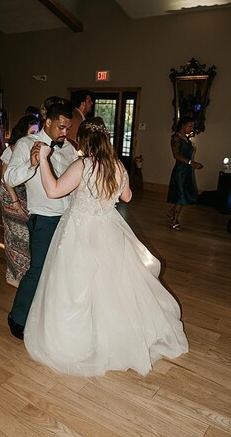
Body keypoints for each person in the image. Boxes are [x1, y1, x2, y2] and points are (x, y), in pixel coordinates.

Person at [24, 118, 189, 376]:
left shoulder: (82, 165)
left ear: (84, 140)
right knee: (112, 283)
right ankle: (118, 336)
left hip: (80, 231)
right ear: (106, 139)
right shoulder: (117, 165)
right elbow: (127, 197)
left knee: (78, 283)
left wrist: (44, 160)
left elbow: (54, 191)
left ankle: (82, 339)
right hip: (109, 228)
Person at [5, 102, 77, 339]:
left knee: (63, 269)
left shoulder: (69, 148)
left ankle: (51, 316)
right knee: (38, 269)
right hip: (44, 217)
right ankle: (18, 319)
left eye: (68, 128)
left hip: (70, 217)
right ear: (48, 122)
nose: (65, 132)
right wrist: (32, 164)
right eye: (61, 127)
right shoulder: (26, 144)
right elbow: (10, 178)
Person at [0, 115, 39, 287]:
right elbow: (5, 178)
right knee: (17, 233)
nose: (35, 136)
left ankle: (17, 274)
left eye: (37, 132)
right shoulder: (13, 149)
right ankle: (14, 276)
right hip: (10, 194)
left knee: (23, 234)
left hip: (23, 193)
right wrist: (15, 201)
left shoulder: (33, 148)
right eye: (32, 132)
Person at [167, 117, 203, 230]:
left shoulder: (186, 139)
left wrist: (191, 164)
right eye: (189, 126)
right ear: (182, 125)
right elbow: (176, 155)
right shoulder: (176, 139)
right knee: (181, 196)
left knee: (183, 194)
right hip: (180, 171)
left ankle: (171, 212)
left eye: (192, 126)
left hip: (187, 170)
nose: (191, 128)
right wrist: (191, 163)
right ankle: (174, 221)